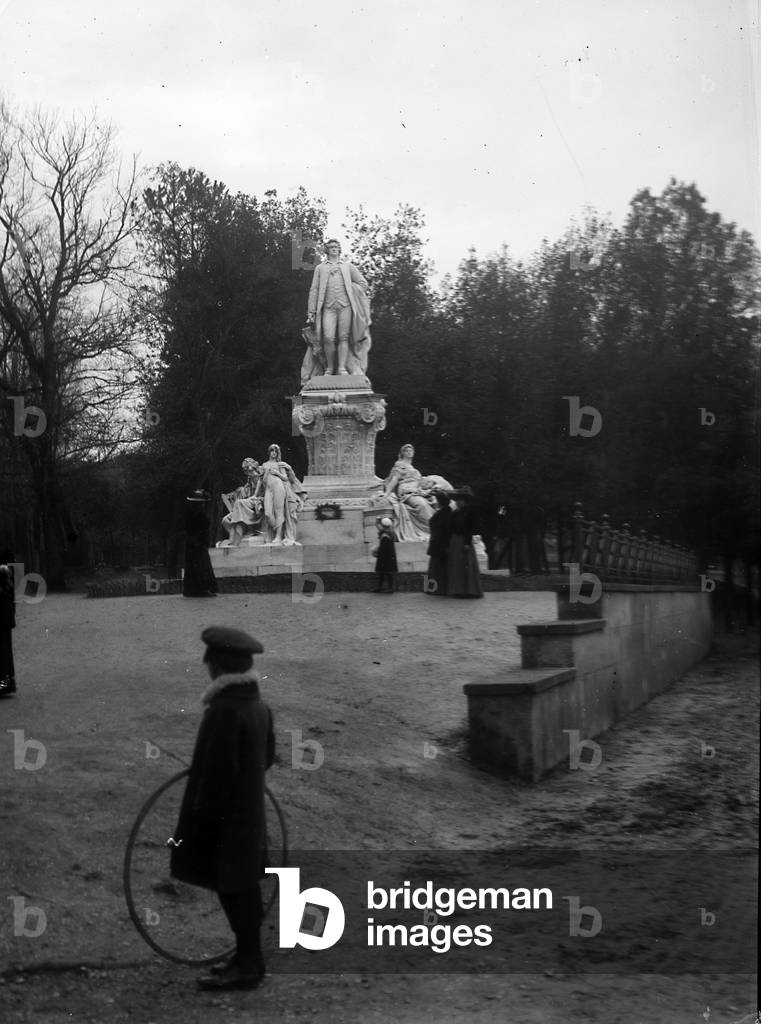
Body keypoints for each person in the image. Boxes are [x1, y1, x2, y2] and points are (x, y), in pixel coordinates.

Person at [170, 626, 275, 991]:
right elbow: (268, 757)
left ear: (222, 666)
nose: (205, 664)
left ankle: (249, 964)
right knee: (242, 886)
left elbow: (215, 776)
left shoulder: (223, 712)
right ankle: (247, 957)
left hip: (226, 822)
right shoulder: (258, 706)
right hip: (248, 816)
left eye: (210, 659)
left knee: (234, 889)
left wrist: (200, 824)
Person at [305, 240, 371, 377]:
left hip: (345, 306)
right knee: (328, 338)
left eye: (336, 247)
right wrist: (311, 312)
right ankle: (329, 368)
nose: (334, 249)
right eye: (331, 247)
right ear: (327, 250)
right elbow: (314, 290)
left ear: (339, 249)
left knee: (344, 337)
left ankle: (342, 368)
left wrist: (353, 289)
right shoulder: (320, 268)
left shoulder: (347, 266)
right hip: (328, 307)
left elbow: (363, 283)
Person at [379, 444, 439, 542]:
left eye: (411, 450)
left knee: (434, 500)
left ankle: (435, 528)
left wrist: (428, 487)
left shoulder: (413, 468)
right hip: (407, 490)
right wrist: (387, 493)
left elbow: (421, 483)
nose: (409, 452)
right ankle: (431, 529)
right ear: (402, 453)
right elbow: (394, 480)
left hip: (418, 490)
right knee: (422, 504)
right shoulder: (399, 465)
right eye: (406, 450)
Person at [259, 444, 307, 546]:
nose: (273, 453)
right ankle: (273, 532)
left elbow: (285, 477)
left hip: (278, 487)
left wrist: (277, 473)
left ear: (278, 453)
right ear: (269, 452)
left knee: (279, 512)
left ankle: (278, 536)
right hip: (268, 489)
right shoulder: (264, 465)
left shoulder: (280, 464)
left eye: (275, 451)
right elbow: (260, 480)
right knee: (268, 513)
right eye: (272, 451)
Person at [447, 487, 484, 598]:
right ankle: (458, 589)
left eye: (460, 500)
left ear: (464, 501)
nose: (458, 502)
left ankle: (470, 590)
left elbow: (470, 528)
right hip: (455, 540)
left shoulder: (470, 513)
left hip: (464, 539)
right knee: (457, 566)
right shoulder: (455, 513)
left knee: (467, 565)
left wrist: (467, 542)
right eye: (457, 500)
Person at [183, 491, 219, 597]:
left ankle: (192, 589)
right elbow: (203, 529)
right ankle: (202, 589)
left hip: (192, 543)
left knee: (194, 567)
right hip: (198, 543)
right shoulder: (199, 514)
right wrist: (204, 541)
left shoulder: (190, 514)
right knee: (201, 566)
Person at [220, 459, 263, 546]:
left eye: (248, 469)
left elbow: (258, 494)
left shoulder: (260, 476)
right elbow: (245, 492)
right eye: (245, 470)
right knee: (225, 520)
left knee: (239, 503)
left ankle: (235, 538)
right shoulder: (249, 482)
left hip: (259, 502)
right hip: (250, 503)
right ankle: (238, 536)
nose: (247, 472)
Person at [425, 491, 452, 596]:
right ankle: (437, 589)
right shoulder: (445, 512)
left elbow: (440, 530)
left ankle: (435, 589)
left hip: (439, 544)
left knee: (437, 569)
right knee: (438, 568)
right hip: (440, 543)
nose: (434, 502)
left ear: (440, 502)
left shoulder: (442, 514)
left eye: (436, 500)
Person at [0, 560, 16, 696]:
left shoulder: (6, 591)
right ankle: (5, 685)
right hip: (6, 625)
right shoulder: (8, 590)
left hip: (4, 625)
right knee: (5, 655)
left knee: (3, 655)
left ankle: (4, 685)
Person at [373, 516, 398, 593]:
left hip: (384, 557)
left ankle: (385, 588)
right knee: (386, 573)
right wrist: (392, 521)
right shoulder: (391, 532)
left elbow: (384, 549)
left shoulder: (384, 535)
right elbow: (394, 525)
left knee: (384, 573)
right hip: (390, 557)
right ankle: (384, 587)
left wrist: (377, 552)